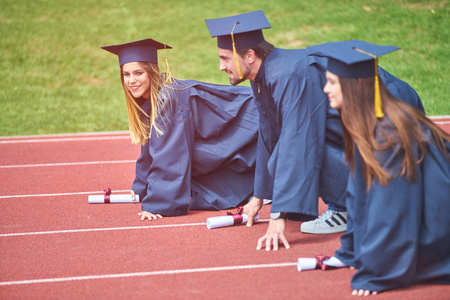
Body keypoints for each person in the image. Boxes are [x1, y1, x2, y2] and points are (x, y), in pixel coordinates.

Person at [205, 11, 424, 250]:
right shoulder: (263, 77)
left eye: (225, 58)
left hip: (392, 123)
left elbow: (297, 141)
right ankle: (356, 200)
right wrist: (258, 197)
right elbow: (269, 135)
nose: (220, 66)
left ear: (249, 56)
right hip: (360, 130)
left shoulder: (287, 74)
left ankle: (352, 206)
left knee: (301, 146)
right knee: (286, 146)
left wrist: (278, 217)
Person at [308, 40, 450, 295]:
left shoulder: (388, 136)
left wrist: (376, 274)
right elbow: (359, 192)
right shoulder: (370, 122)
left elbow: (392, 210)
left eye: (332, 81)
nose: (325, 88)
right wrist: (350, 251)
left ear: (357, 85)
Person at [101, 38, 259, 220]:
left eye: (138, 73)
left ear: (151, 72)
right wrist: (141, 188)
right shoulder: (152, 96)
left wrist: (158, 203)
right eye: (126, 75)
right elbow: (151, 146)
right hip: (235, 126)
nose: (132, 81)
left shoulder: (169, 97)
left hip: (252, 118)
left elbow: (171, 155)